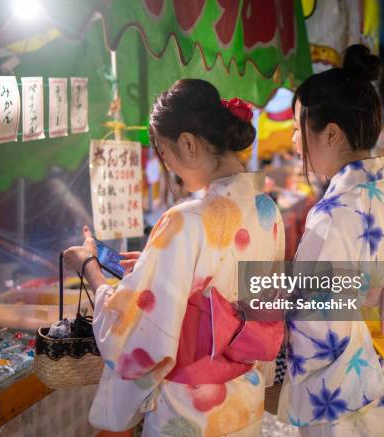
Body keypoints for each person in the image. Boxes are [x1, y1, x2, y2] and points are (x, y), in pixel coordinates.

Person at [64, 79, 286, 436]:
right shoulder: (267, 211)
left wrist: (91, 267)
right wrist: (156, 266)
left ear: (188, 144)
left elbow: (133, 329)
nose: (171, 169)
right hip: (244, 398)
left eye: (166, 155)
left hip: (190, 411)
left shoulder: (184, 220)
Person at [277, 45, 384, 436]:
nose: (293, 141)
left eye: (296, 127)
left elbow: (317, 329)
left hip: (355, 404)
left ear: (331, 133)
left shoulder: (335, 215)